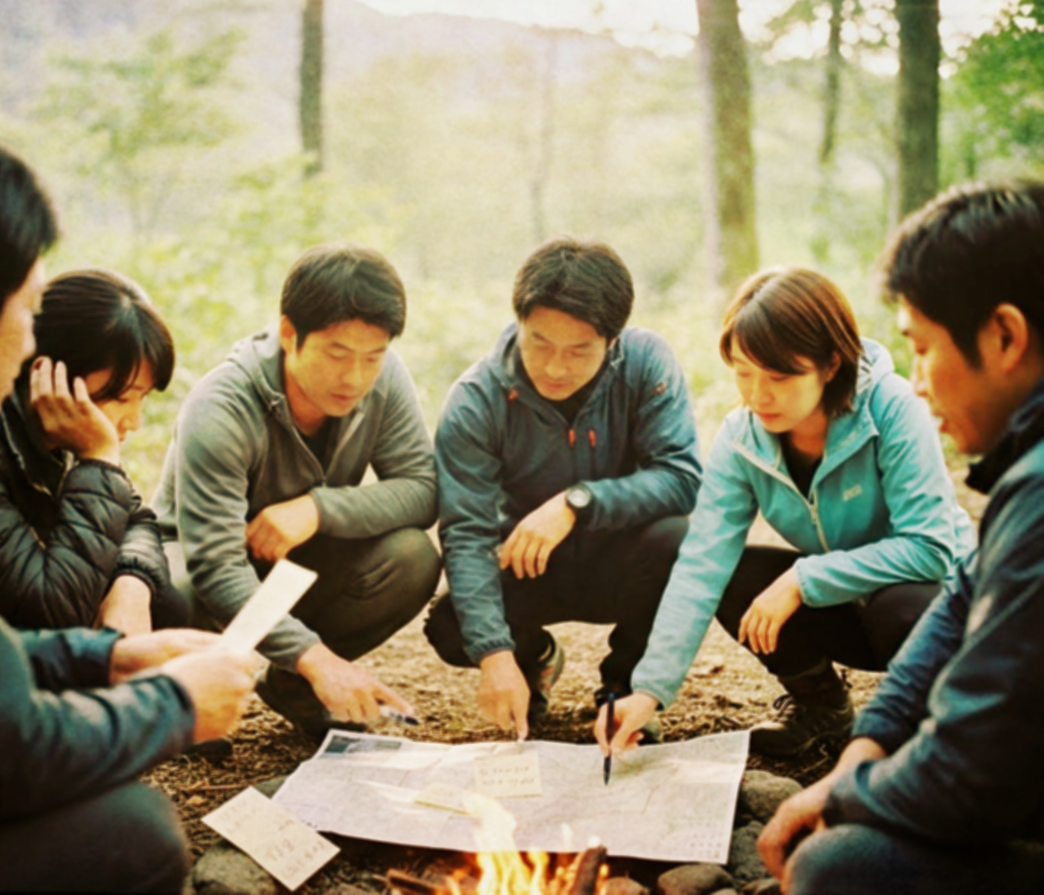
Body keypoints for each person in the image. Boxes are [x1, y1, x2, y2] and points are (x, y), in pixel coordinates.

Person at [0, 130, 255, 893]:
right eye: (29, 310)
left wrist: (105, 658)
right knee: (132, 835)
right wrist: (175, 705)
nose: (33, 346)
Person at [757, 182, 1044, 895]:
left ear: (1003, 337)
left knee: (834, 868)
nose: (918, 382)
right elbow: (956, 607)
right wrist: (868, 744)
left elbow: (967, 775)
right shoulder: (1024, 474)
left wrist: (847, 798)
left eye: (921, 349)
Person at [599, 266, 973, 759]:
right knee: (737, 575)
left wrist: (803, 579)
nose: (758, 395)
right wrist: (647, 692)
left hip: (939, 605)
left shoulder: (892, 408)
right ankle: (822, 707)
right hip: (848, 604)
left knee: (899, 607)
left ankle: (944, 728)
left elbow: (931, 549)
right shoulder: (741, 438)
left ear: (831, 364)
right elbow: (701, 565)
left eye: (779, 376)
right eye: (743, 372)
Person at [153, 242, 440, 738]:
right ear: (290, 334)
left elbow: (423, 488)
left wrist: (318, 509)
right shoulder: (220, 407)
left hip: (296, 562)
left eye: (372, 357)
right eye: (336, 354)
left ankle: (294, 687)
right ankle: (182, 699)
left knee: (411, 557)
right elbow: (216, 565)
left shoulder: (385, 378)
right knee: (171, 596)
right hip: (200, 571)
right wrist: (317, 657)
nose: (354, 378)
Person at [425, 236, 701, 740]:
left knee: (676, 538)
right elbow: (466, 532)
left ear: (612, 341)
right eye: (540, 343)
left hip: (623, 560)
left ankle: (624, 692)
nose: (555, 367)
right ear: (518, 322)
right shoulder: (476, 398)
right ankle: (533, 661)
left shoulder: (645, 363)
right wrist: (495, 654)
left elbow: (681, 479)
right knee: (450, 624)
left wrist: (578, 503)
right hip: (529, 565)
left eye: (578, 351)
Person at [0, 268, 187, 636]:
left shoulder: (65, 434)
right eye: (121, 397)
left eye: (143, 398)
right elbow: (52, 609)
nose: (134, 420)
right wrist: (99, 458)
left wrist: (132, 586)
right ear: (52, 377)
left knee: (165, 604)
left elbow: (136, 519)